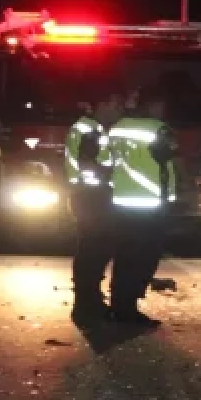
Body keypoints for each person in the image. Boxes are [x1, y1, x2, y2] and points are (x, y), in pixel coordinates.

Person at [106, 89, 177, 327]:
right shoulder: (159, 130)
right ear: (152, 106)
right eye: (161, 106)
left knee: (124, 256)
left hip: (121, 201)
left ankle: (118, 304)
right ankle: (129, 309)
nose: (163, 111)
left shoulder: (116, 127)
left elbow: (107, 161)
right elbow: (167, 165)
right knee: (145, 258)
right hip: (149, 204)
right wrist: (171, 199)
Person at [65, 91, 124, 324]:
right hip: (93, 197)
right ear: (103, 104)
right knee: (94, 251)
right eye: (116, 104)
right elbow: (88, 165)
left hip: (87, 196)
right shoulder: (92, 130)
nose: (120, 110)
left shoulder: (87, 127)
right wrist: (112, 173)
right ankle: (87, 304)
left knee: (92, 249)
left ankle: (88, 301)